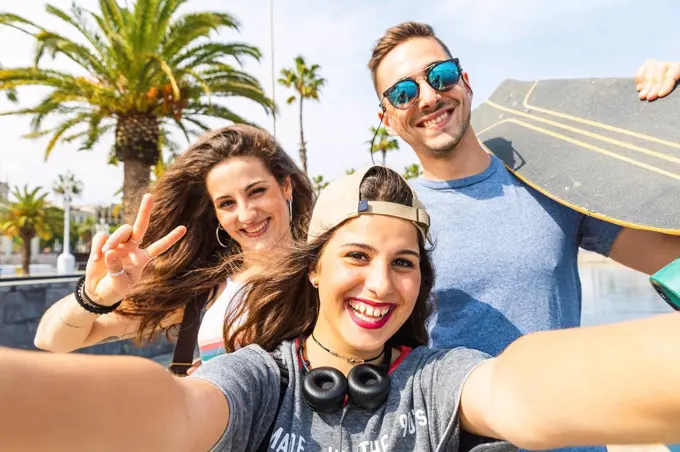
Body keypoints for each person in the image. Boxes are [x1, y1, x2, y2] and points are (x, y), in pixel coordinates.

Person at [2, 166, 680, 452]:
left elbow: (524, 386)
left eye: (404, 262)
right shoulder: (262, 379)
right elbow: (170, 409)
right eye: (357, 256)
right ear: (316, 271)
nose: (381, 284)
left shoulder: (440, 379)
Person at [33, 124, 315, 373]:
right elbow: (51, 340)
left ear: (286, 187)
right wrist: (95, 297)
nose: (246, 214)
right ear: (215, 213)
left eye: (257, 191)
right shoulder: (203, 296)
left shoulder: (330, 273)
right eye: (226, 203)